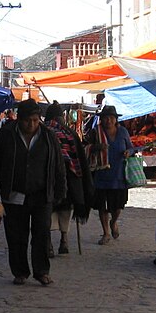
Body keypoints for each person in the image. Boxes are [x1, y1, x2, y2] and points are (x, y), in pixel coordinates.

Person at [0, 98, 67, 285]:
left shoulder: (48, 136)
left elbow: (58, 166)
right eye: (28, 120)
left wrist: (61, 191)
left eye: (36, 120)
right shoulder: (6, 135)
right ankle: (20, 272)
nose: (32, 124)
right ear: (19, 119)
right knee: (16, 236)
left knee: (42, 235)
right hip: (14, 194)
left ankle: (41, 271)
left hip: (41, 194)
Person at [43, 101, 93, 256]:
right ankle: (64, 240)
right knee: (66, 209)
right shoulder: (69, 133)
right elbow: (79, 157)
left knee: (49, 209)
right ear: (60, 117)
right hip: (70, 177)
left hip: (48, 178)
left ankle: (49, 244)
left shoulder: (43, 131)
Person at [87, 104, 133, 244]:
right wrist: (96, 147)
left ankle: (113, 222)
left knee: (118, 206)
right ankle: (106, 232)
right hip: (101, 175)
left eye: (111, 118)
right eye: (106, 118)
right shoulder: (96, 132)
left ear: (115, 119)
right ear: (102, 119)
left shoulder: (123, 132)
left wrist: (128, 153)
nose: (108, 121)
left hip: (119, 175)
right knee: (102, 206)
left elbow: (131, 147)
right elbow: (85, 148)